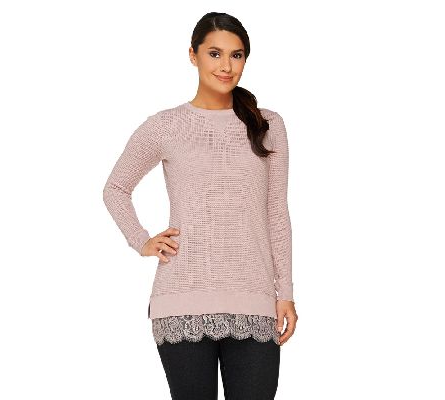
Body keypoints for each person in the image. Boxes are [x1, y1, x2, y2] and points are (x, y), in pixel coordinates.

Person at [103, 11, 298, 400]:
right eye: (214, 53)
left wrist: (286, 292)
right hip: (182, 298)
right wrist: (141, 240)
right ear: (193, 55)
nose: (226, 66)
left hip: (255, 298)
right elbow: (116, 187)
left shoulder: (267, 124)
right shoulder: (166, 125)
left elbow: (276, 213)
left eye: (236, 55)